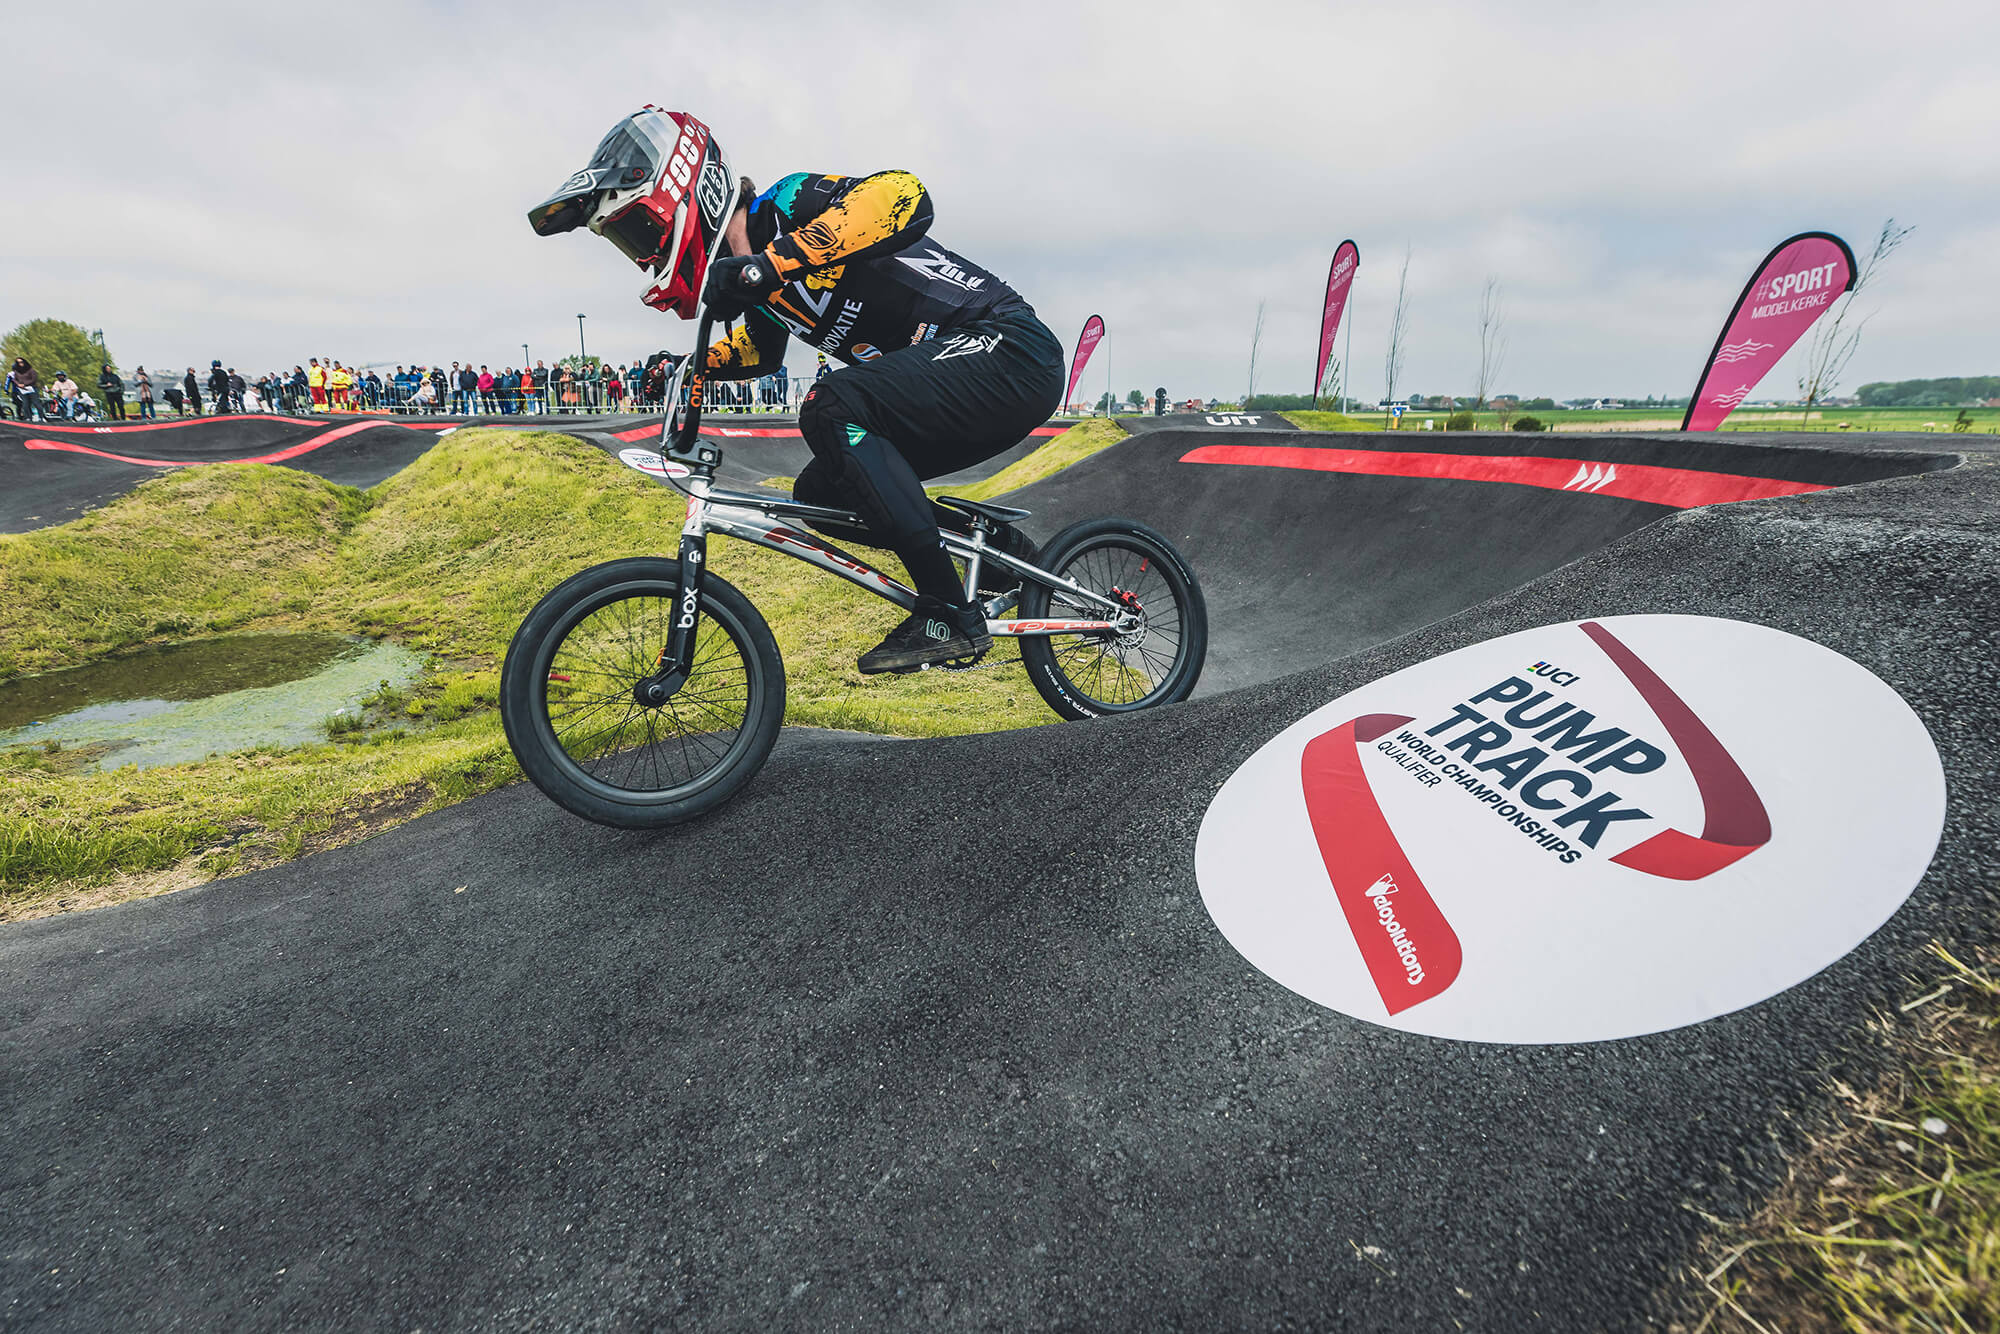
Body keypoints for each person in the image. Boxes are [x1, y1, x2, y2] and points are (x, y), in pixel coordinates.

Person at [530, 108, 1062, 672]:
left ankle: (948, 611)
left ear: (689, 192)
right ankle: (997, 550)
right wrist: (692, 365)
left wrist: (772, 264)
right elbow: (762, 352)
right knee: (823, 494)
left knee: (831, 404)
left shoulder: (787, 207)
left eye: (639, 232)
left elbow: (905, 196)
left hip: (1007, 348)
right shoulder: (757, 288)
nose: (642, 254)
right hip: (961, 387)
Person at [10, 357, 43, 422]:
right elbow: (14, 379)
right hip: (22, 390)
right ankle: (28, 417)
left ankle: (41, 417)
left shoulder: (31, 370)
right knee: (25, 404)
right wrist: (18, 384)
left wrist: (25, 384)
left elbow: (34, 379)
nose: (20, 363)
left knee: (36, 403)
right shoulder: (16, 371)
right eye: (18, 362)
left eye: (21, 362)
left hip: (32, 389)